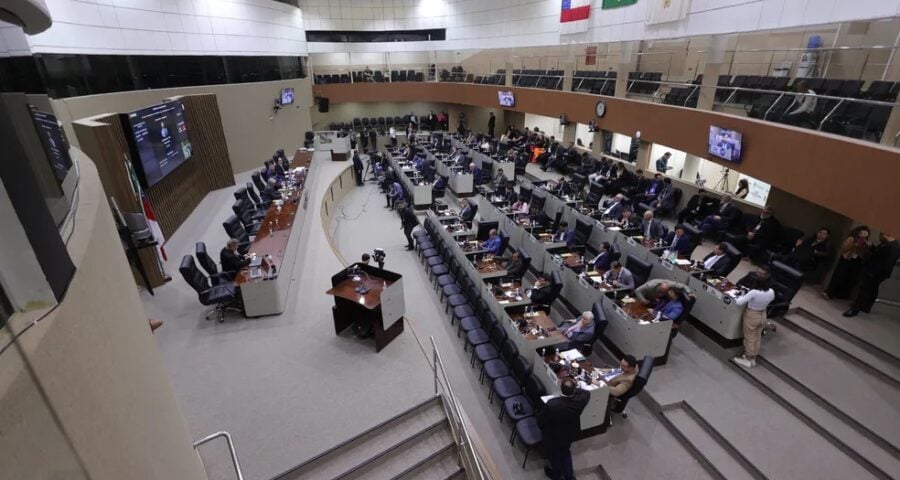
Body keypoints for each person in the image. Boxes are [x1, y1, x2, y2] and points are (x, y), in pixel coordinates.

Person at [537, 378, 589, 480]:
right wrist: (574, 388)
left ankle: (556, 475)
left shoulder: (553, 404)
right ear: (574, 390)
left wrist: (541, 427)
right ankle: (569, 476)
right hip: (570, 432)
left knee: (555, 454)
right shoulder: (580, 401)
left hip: (554, 434)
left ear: (561, 388)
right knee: (565, 451)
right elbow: (586, 392)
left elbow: (542, 419)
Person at [844, 232, 899, 317]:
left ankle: (855, 309)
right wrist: (872, 247)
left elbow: (887, 263)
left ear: (886, 235)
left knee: (864, 290)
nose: (879, 238)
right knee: (872, 289)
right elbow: (878, 254)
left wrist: (873, 272)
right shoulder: (887, 244)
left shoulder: (893, 247)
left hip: (876, 272)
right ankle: (866, 307)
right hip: (876, 271)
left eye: (880, 236)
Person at [732, 276, 776, 368]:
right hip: (763, 314)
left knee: (749, 338)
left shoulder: (754, 292)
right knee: (757, 337)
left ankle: (747, 359)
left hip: (752, 315)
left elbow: (739, 302)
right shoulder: (771, 291)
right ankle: (753, 358)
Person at [823, 226, 872, 300]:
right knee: (838, 276)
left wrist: (866, 247)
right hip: (846, 259)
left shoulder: (868, 242)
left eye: (865, 233)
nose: (862, 235)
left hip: (857, 261)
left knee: (850, 278)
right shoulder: (851, 238)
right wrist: (853, 245)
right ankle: (829, 292)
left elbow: (866, 254)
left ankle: (841, 294)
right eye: (861, 233)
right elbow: (843, 248)